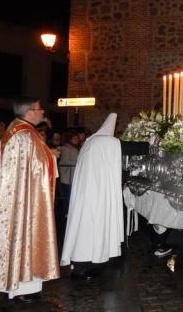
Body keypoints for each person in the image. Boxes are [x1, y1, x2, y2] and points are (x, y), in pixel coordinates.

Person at [0, 97, 60, 303]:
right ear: (29, 111)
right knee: (23, 236)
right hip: (24, 202)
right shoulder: (24, 135)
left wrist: (48, 154)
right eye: (40, 109)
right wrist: (52, 157)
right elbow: (35, 166)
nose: (43, 113)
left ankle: (22, 286)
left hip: (21, 197)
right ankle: (22, 288)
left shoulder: (20, 131)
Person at [61, 113, 124, 279]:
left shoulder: (90, 142)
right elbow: (128, 148)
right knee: (93, 227)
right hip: (96, 194)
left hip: (86, 193)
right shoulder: (106, 142)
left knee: (84, 227)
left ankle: (86, 265)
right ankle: (86, 266)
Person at [56, 129, 80, 246]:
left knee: (70, 195)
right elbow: (66, 161)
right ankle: (67, 214)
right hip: (68, 177)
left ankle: (68, 213)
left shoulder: (72, 148)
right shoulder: (66, 148)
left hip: (70, 176)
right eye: (75, 138)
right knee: (68, 195)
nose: (77, 140)